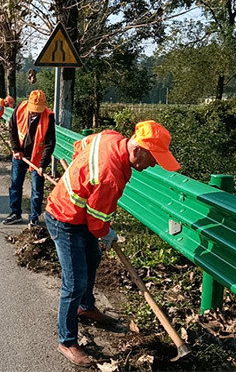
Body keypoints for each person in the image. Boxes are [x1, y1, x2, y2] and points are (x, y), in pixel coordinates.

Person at [45, 120, 181, 367]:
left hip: (80, 214)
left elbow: (81, 145)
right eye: (153, 159)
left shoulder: (110, 137)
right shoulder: (111, 174)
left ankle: (85, 308)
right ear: (138, 149)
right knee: (74, 282)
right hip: (64, 218)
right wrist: (106, 232)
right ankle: (67, 341)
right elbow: (97, 223)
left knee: (93, 258)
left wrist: (81, 174)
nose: (153, 165)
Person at [2, 90, 55, 227]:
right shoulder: (20, 108)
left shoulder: (48, 117)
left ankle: (34, 217)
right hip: (20, 155)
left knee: (37, 190)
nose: (35, 113)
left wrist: (43, 164)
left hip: (37, 159)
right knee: (15, 185)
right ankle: (15, 213)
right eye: (33, 110)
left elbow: (50, 143)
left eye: (38, 111)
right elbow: (12, 128)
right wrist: (16, 149)